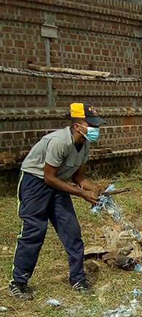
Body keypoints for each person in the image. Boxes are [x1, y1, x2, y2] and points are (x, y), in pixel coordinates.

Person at [9, 103, 105, 300]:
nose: (96, 130)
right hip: (36, 183)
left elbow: (79, 178)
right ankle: (18, 282)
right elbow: (49, 178)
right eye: (92, 125)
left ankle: (78, 279)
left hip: (57, 183)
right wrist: (82, 194)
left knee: (72, 231)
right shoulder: (59, 142)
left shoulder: (85, 143)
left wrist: (96, 189)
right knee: (34, 231)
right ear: (78, 126)